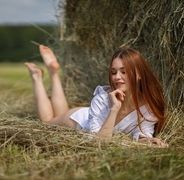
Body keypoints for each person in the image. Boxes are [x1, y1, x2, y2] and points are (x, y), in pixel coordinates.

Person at [24, 45, 168, 148]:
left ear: (139, 74)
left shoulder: (149, 107)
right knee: (46, 122)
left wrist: (148, 141)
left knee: (57, 114)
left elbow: (141, 131)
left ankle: (53, 72)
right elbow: (100, 141)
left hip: (88, 114)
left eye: (124, 72)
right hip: (78, 120)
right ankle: (37, 77)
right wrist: (114, 109)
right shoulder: (103, 98)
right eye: (113, 72)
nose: (117, 77)